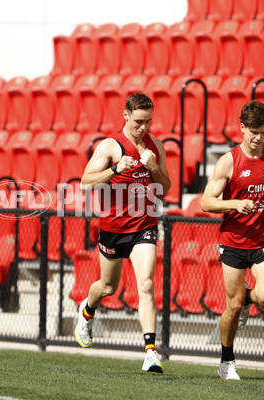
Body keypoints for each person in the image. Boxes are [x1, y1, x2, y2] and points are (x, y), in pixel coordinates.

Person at [76, 93, 171, 373]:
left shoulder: (155, 147)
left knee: (146, 285)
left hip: (145, 225)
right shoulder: (111, 145)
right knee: (108, 287)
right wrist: (115, 169)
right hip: (114, 228)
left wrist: (154, 168)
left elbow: (165, 190)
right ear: (126, 115)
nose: (144, 127)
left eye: (149, 121)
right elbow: (84, 183)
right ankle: (87, 310)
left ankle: (151, 352)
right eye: (139, 121)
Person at [201, 100, 264, 380]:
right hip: (233, 241)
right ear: (241, 127)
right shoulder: (229, 161)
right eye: (253, 131)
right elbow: (206, 202)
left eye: (263, 132)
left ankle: (246, 300)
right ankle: (226, 361)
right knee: (232, 305)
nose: (258, 137)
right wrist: (233, 204)